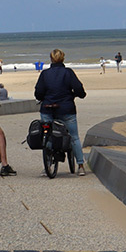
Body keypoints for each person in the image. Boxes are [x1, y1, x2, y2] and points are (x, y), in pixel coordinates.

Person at [34, 48, 88, 176]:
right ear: (63, 58)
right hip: (66, 108)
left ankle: (48, 163)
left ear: (51, 59)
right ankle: (80, 165)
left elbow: (38, 93)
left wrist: (44, 98)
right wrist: (78, 95)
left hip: (47, 108)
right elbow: (79, 89)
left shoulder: (45, 74)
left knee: (47, 134)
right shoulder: (68, 72)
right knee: (74, 137)